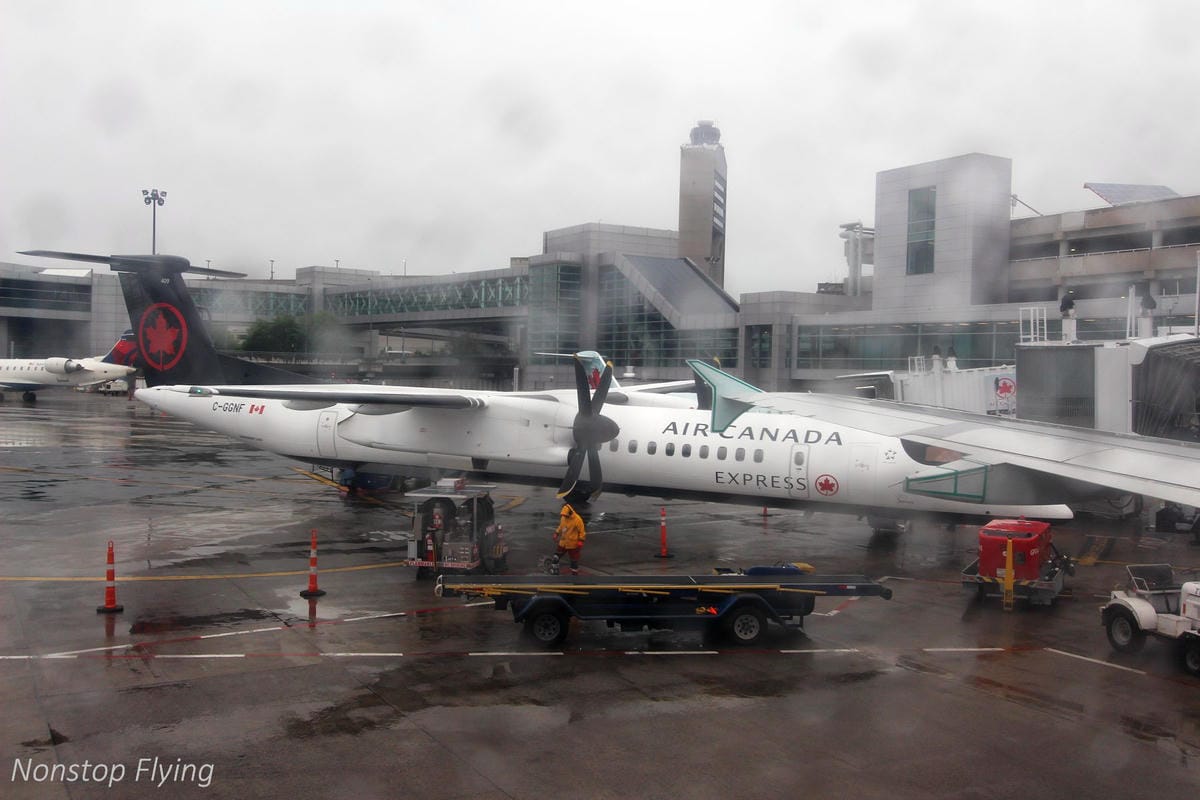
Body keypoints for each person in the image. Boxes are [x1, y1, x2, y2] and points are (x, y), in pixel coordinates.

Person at [552, 503, 587, 576]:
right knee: (556, 557)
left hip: (573, 544)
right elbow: (561, 526)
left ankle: (574, 575)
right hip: (563, 542)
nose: (564, 516)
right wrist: (556, 533)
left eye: (566, 515)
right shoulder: (563, 517)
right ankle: (555, 570)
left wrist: (581, 541)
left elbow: (582, 531)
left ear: (570, 513)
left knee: (574, 561)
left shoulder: (577, 519)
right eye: (564, 515)